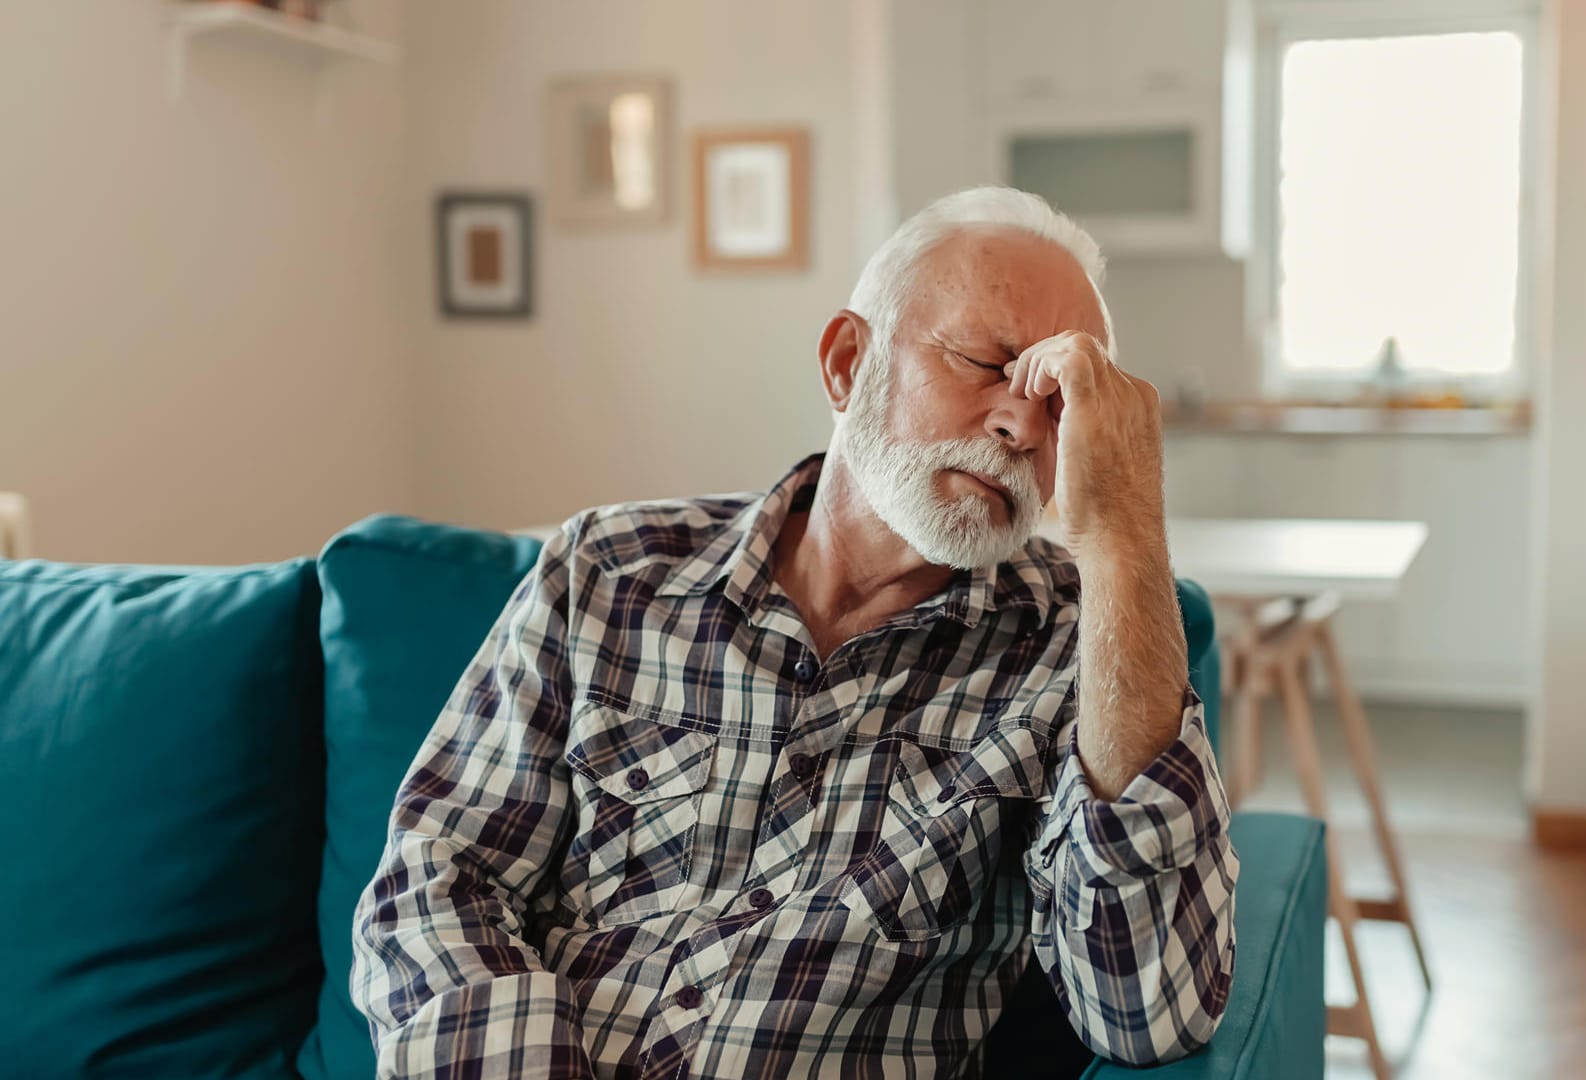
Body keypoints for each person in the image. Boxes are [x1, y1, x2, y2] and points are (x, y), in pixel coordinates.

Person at [349, 186, 1237, 1079]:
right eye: (983, 362)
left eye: (1057, 408)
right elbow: (439, 880)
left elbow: (1151, 1010)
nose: (1019, 425)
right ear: (850, 363)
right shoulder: (608, 571)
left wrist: (1124, 530)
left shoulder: (1071, 649)